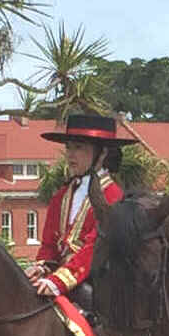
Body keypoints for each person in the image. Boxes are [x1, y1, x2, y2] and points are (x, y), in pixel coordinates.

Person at [28, 110, 131, 307]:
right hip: (58, 278)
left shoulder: (113, 196)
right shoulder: (61, 196)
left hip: (97, 284)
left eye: (79, 147)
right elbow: (49, 245)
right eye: (68, 148)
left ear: (101, 154)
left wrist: (58, 281)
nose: (70, 155)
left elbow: (95, 247)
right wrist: (42, 268)